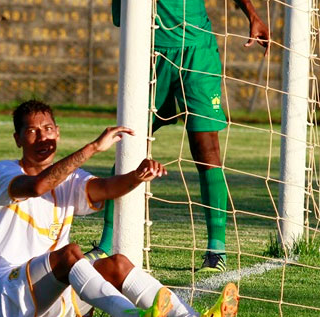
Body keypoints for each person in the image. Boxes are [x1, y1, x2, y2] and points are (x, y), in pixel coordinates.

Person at [0, 100, 239, 317]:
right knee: (70, 255)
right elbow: (38, 185)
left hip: (55, 295)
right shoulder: (2, 172)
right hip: (0, 294)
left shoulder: (69, 179)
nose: (42, 138)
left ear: (58, 133)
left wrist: (138, 176)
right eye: (32, 131)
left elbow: (106, 189)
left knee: (117, 265)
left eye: (48, 129)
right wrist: (94, 148)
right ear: (18, 139)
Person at [88, 0, 270, 273]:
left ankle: (216, 251)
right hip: (150, 52)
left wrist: (252, 15)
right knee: (129, 144)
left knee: (205, 149)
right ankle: (107, 244)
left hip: (197, 51)